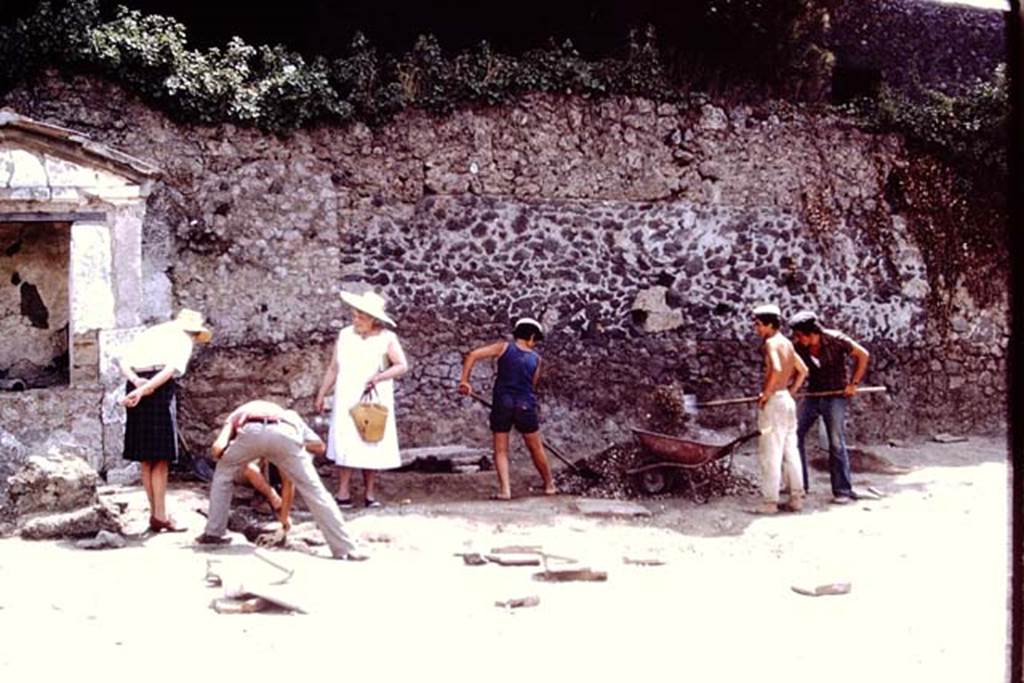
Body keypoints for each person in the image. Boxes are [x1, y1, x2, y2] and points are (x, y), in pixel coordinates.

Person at [194, 399, 366, 561]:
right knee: (315, 491)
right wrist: (287, 447)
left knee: (223, 473)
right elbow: (319, 446)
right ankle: (346, 548)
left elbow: (218, 447)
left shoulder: (238, 413)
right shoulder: (290, 415)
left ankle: (214, 533)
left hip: (250, 432)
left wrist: (228, 457)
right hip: (287, 433)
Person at [117, 308, 212, 533]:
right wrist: (147, 390)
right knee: (160, 456)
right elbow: (170, 370)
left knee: (146, 457)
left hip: (137, 383)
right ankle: (160, 515)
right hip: (157, 388)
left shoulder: (152, 333)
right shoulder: (183, 340)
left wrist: (137, 383)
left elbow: (124, 362)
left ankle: (156, 514)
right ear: (193, 331)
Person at [314, 291, 409, 509]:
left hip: (373, 395)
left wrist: (378, 377)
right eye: (355, 315)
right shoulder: (346, 335)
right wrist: (322, 393)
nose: (356, 320)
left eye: (361, 317)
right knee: (346, 441)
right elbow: (333, 367)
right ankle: (343, 492)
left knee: (370, 440)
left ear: (373, 319)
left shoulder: (387, 338)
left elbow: (401, 365)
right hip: (347, 394)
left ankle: (369, 494)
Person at [458, 317, 556, 500]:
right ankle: (549, 484)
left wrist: (465, 381)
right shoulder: (536, 359)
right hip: (525, 404)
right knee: (536, 447)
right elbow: (532, 385)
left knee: (501, 450)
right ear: (531, 337)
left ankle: (505, 491)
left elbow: (472, 355)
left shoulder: (503, 348)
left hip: (502, 402)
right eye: (536, 340)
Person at [788, 310, 871, 504]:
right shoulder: (799, 347)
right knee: (795, 434)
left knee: (835, 441)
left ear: (812, 333)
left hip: (835, 395)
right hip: (813, 394)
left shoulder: (836, 340)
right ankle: (800, 485)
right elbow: (794, 370)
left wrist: (854, 384)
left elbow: (863, 355)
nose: (797, 339)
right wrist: (788, 389)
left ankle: (842, 490)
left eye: (800, 335)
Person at [751, 304, 808, 514]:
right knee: (790, 451)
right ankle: (796, 498)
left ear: (769, 324)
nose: (757, 329)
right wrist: (790, 390)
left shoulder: (772, 343)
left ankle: (770, 502)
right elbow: (803, 370)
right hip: (786, 400)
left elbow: (775, 368)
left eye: (758, 324)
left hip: (775, 401)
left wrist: (766, 393)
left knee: (771, 452)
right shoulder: (788, 344)